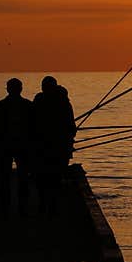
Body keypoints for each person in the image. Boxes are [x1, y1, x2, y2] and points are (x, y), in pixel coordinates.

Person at [31, 75, 76, 218]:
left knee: (43, 178)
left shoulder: (39, 100)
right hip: (59, 148)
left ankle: (44, 205)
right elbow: (71, 127)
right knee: (55, 178)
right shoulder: (64, 102)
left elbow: (31, 124)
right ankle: (53, 207)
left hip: (43, 148)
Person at [0, 78, 33, 217]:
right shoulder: (28, 105)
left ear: (7, 89)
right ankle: (23, 207)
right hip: (23, 146)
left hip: (4, 146)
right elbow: (34, 129)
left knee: (4, 178)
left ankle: (5, 207)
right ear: (21, 89)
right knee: (23, 177)